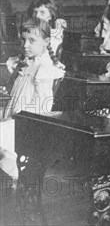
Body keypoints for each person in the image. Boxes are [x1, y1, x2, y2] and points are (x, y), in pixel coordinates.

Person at [0, 18, 65, 183]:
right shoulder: (23, 64)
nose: (25, 45)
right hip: (14, 117)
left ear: (46, 42)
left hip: (29, 124)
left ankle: (10, 179)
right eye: (23, 39)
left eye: (32, 40)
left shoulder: (44, 70)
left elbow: (43, 106)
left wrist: (13, 119)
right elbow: (13, 96)